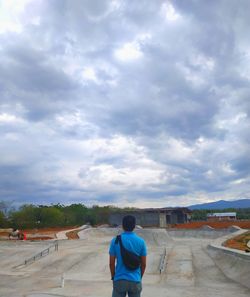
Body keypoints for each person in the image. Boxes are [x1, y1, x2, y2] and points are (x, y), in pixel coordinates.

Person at [109, 215, 147, 297]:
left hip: (119, 279)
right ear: (134, 226)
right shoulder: (141, 242)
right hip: (135, 280)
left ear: (122, 225)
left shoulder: (115, 240)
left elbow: (111, 263)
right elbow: (143, 264)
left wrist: (113, 277)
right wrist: (139, 277)